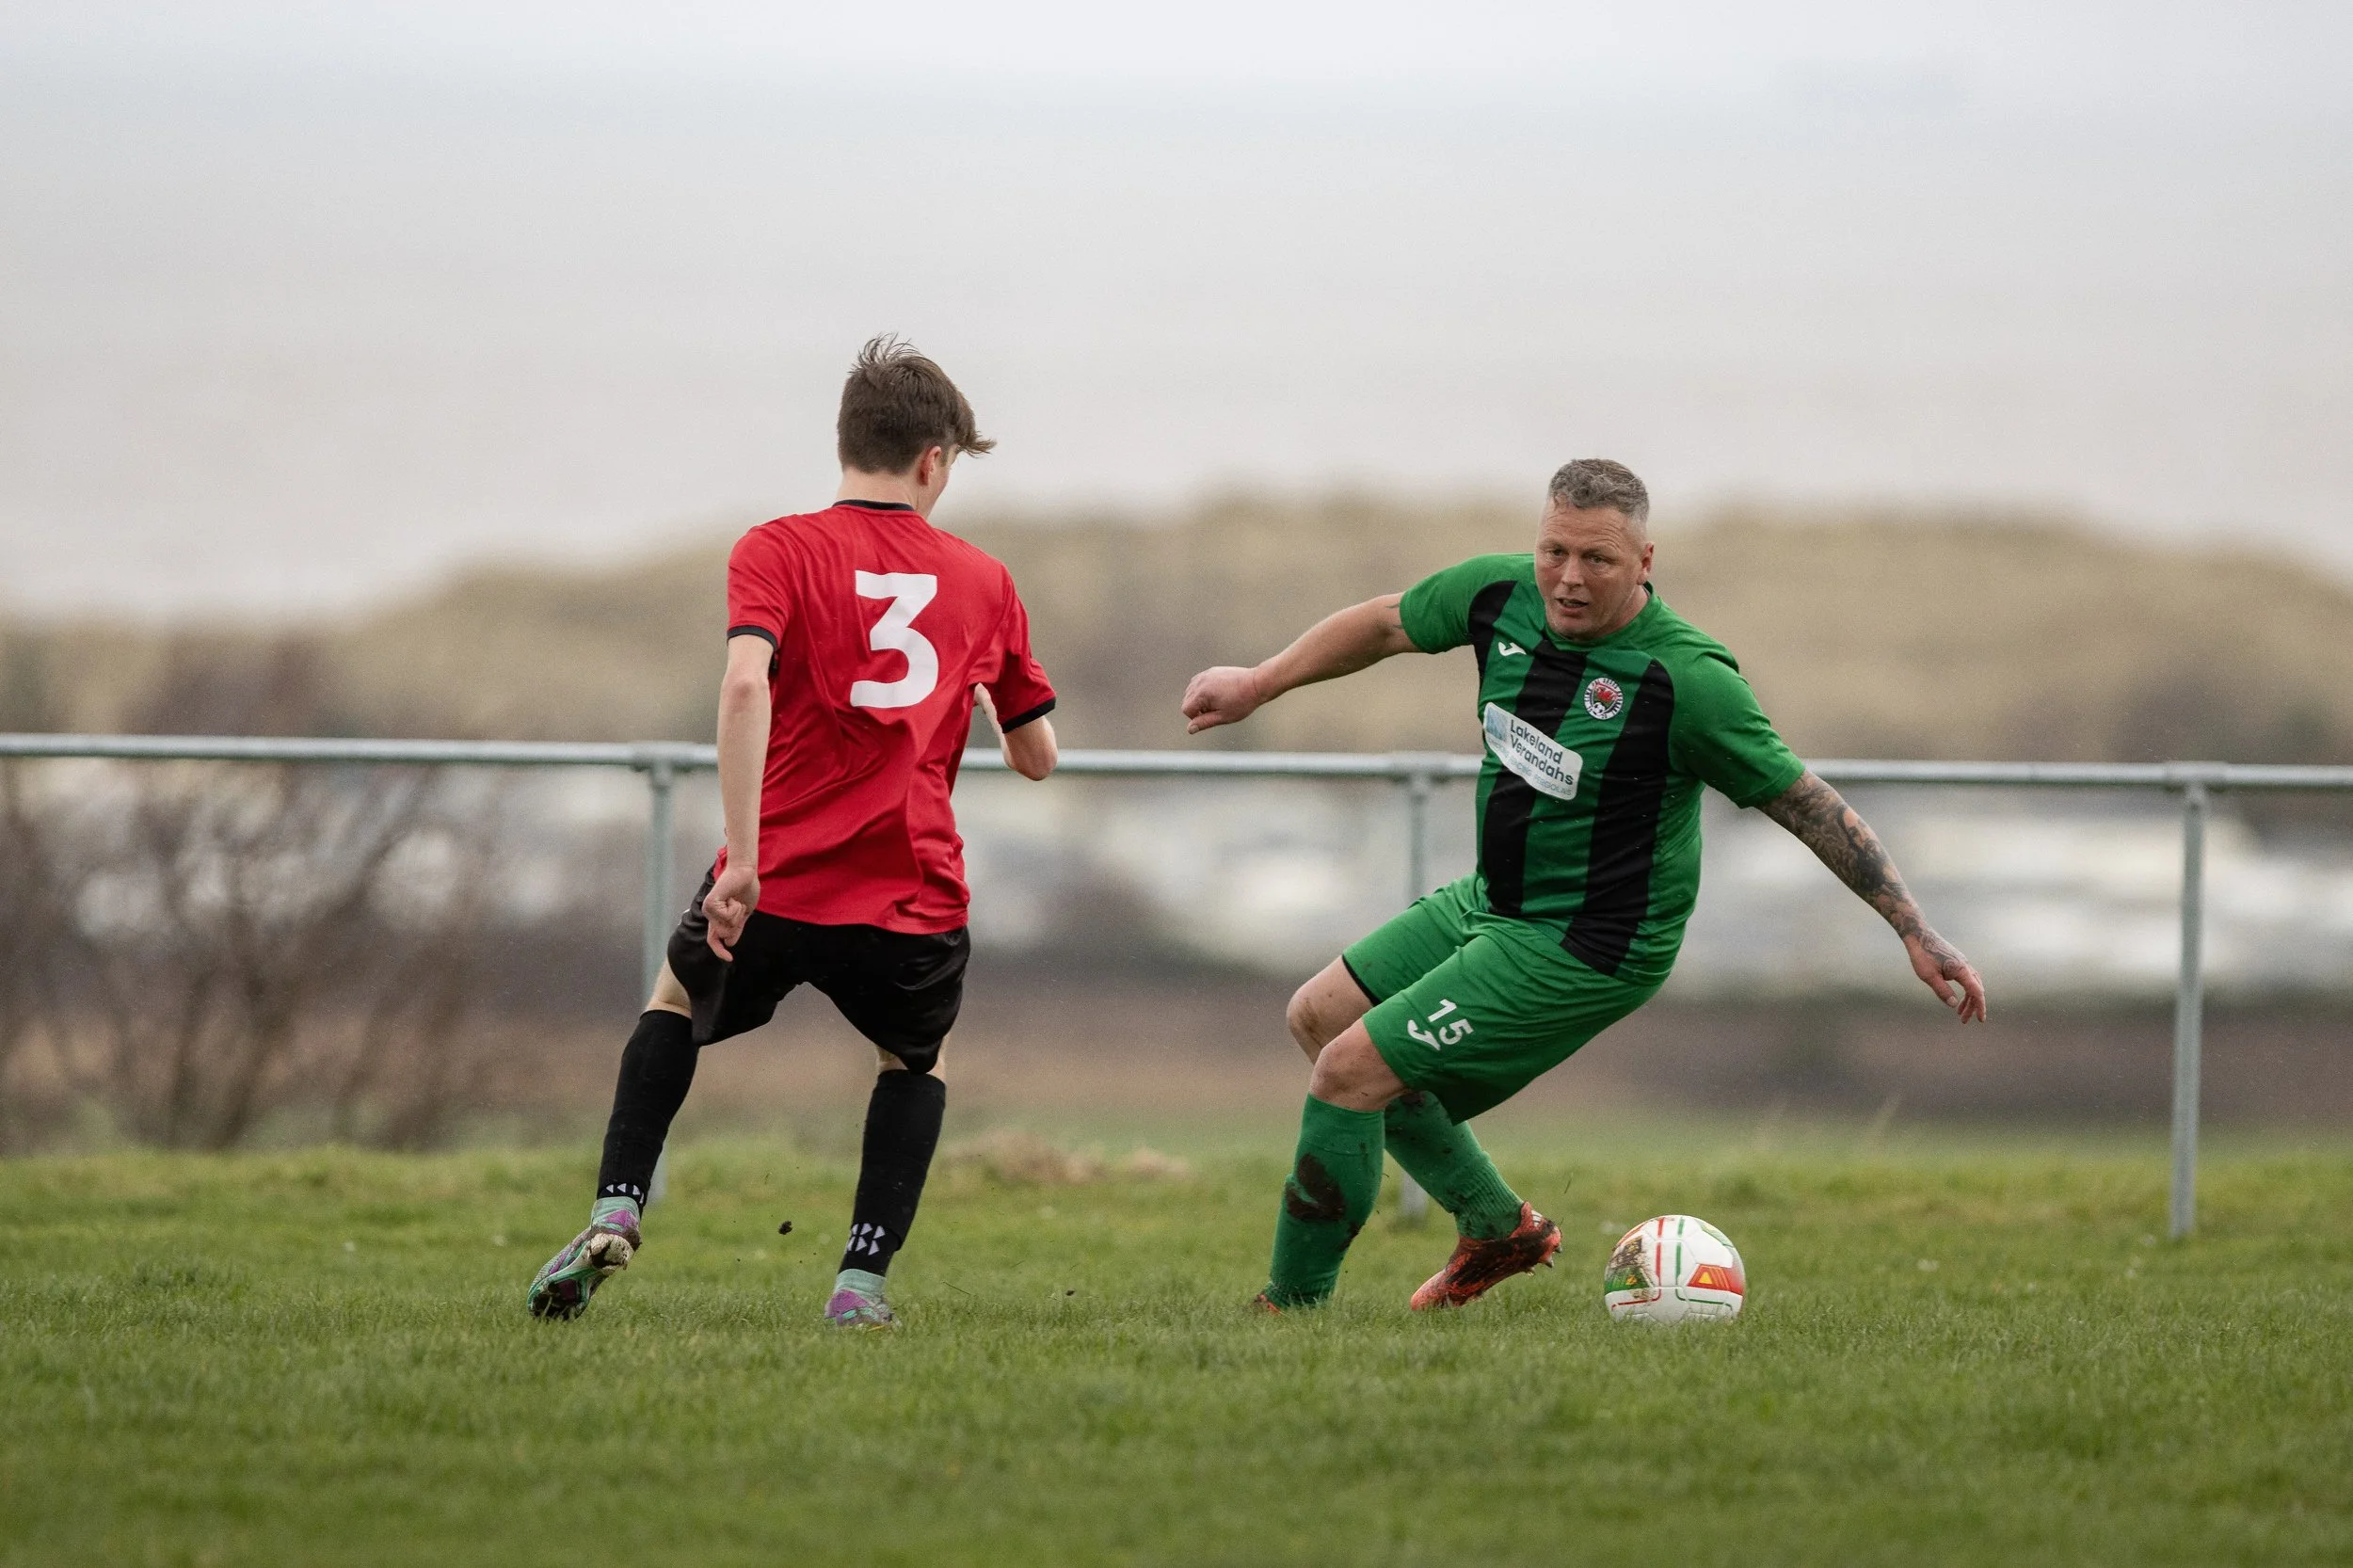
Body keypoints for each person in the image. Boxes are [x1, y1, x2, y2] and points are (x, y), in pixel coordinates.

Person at [1179, 458, 1987, 1311]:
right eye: (1553, 550)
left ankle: (1289, 1311)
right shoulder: (1498, 596)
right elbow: (1383, 625)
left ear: (1644, 562)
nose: (1568, 577)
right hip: (1495, 901)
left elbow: (1807, 804)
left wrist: (1913, 928)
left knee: (1351, 1071)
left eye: (1596, 559)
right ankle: (1497, 1228)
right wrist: (1259, 683)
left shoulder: (1690, 683)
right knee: (1319, 1017)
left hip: (1591, 943)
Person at [529, 337, 1059, 1327]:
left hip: (778, 882)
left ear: (847, 441)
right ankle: (859, 1283)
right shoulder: (986, 583)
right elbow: (1038, 757)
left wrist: (742, 861)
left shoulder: (772, 548)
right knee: (915, 1064)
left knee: (675, 1002)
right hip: (910, 895)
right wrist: (983, 698)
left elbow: (742, 684)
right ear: (934, 462)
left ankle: (616, 1207)